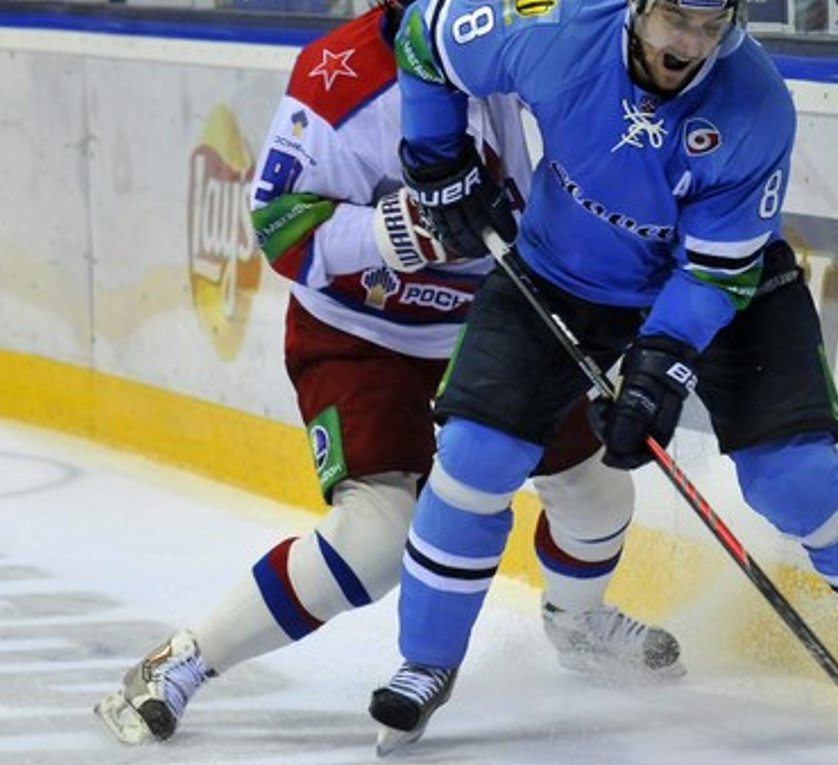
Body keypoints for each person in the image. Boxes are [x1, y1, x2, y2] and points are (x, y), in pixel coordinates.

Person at [368, 0, 838, 753]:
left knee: (797, 478)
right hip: (562, 269)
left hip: (723, 284)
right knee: (476, 456)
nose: (691, 43)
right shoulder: (551, 27)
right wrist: (436, 160)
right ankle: (427, 663)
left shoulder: (756, 105)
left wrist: (658, 368)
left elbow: (714, 274)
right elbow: (422, 38)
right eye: (676, 16)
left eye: (713, 24)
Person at [92, 0, 683, 746]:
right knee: (376, 538)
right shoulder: (336, 77)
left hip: (500, 317)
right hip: (363, 335)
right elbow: (277, 225)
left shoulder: (522, 28)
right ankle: (184, 660)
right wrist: (393, 229)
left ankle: (578, 622)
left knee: (596, 490)